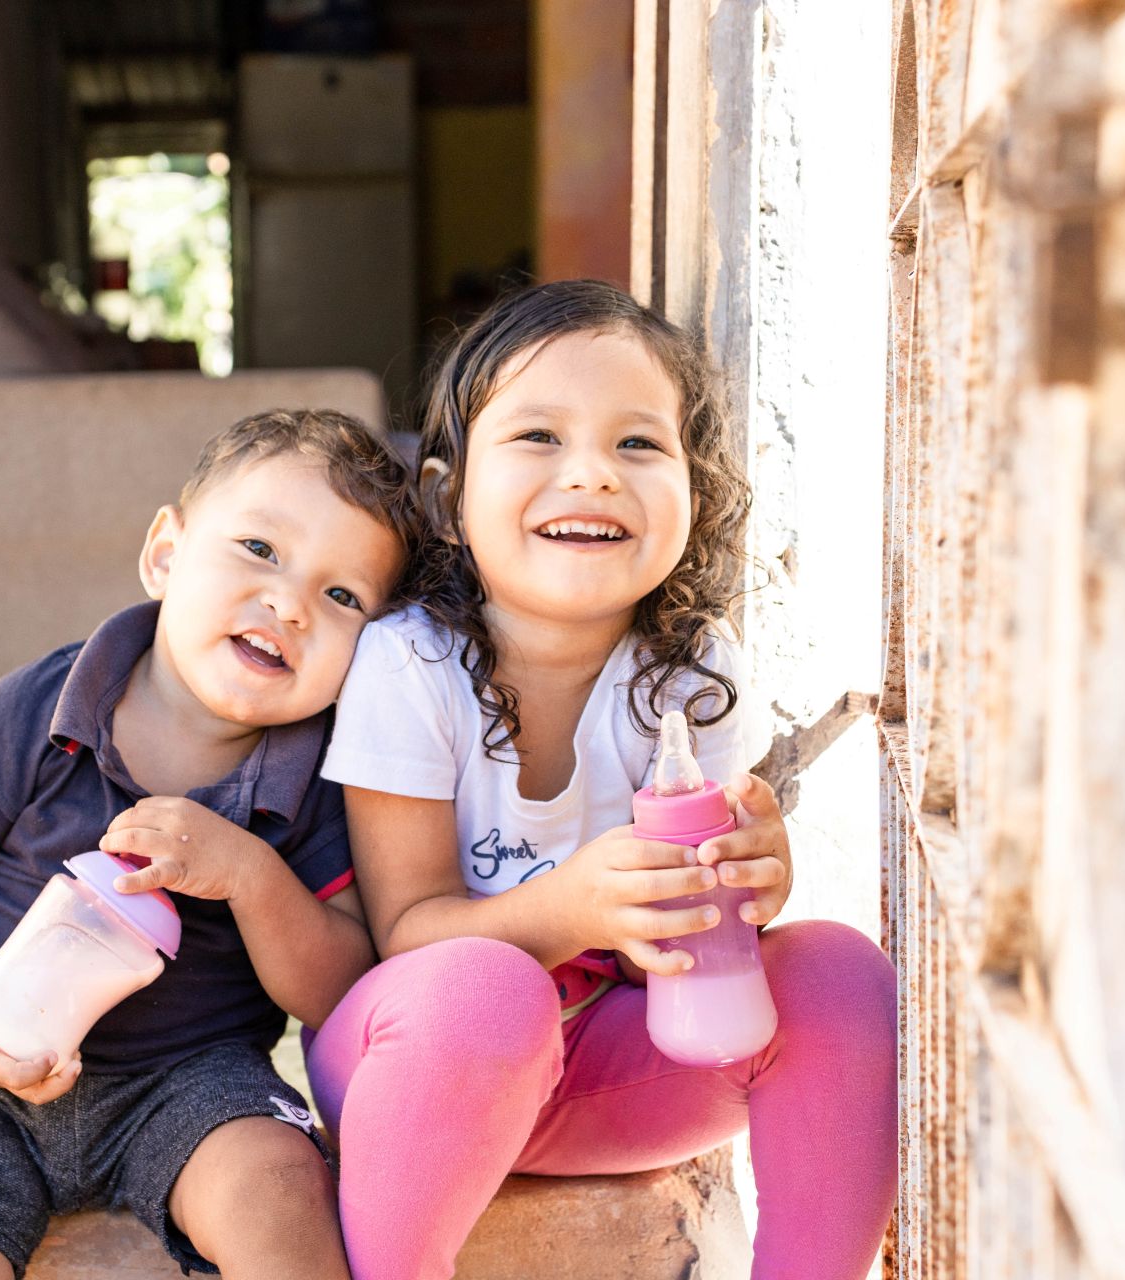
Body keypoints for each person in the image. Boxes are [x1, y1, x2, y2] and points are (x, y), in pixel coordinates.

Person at [304, 280, 899, 1280]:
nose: (593, 474)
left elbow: (703, 955)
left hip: (621, 1076)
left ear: (693, 493)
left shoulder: (695, 666)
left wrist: (750, 879)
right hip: (425, 1070)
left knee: (837, 970)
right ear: (449, 498)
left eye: (638, 443)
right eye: (538, 436)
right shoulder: (409, 666)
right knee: (486, 990)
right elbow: (404, 931)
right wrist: (571, 905)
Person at [0, 408, 416, 1280]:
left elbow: (339, 986)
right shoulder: (46, 706)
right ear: (165, 554)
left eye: (343, 596)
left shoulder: (327, 775)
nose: (290, 603)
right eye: (260, 549)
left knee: (280, 1192)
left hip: (196, 1086)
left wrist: (250, 875)